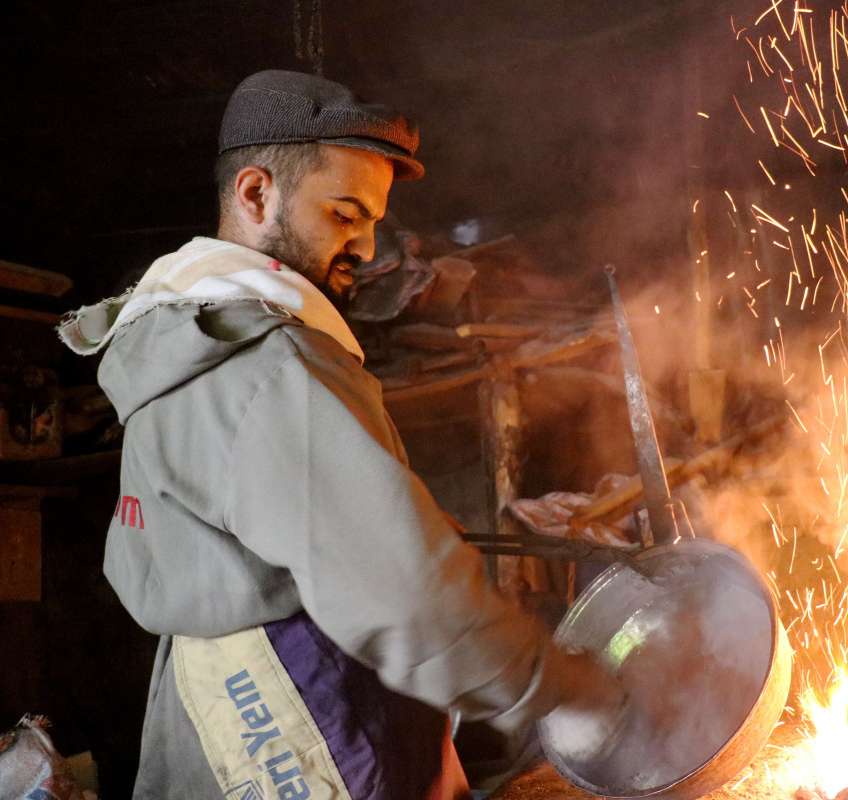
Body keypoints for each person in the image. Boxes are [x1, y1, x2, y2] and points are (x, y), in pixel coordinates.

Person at [59, 70, 623, 800]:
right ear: (255, 194)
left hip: (208, 709)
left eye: (372, 220)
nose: (365, 243)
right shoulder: (270, 363)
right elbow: (406, 594)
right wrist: (567, 688)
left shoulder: (179, 331)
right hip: (306, 721)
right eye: (344, 213)